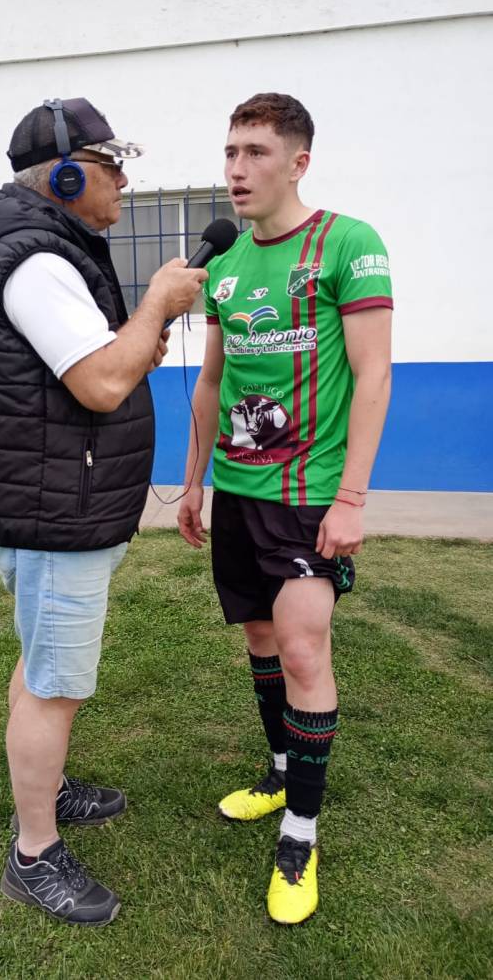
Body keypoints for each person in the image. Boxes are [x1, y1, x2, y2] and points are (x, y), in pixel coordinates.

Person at [0, 97, 206, 926]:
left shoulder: (44, 250)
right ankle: (34, 855)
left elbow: (95, 368)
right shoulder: (36, 262)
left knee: (40, 667)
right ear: (63, 176)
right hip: (54, 513)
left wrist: (135, 333)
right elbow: (99, 382)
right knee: (55, 685)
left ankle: (49, 787)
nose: (124, 179)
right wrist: (156, 305)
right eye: (110, 163)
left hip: (53, 503)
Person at [177, 93, 392, 924]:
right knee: (262, 638)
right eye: (231, 151)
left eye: (257, 152)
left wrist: (352, 498)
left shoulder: (346, 242)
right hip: (237, 491)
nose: (236, 169)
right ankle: (278, 770)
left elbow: (373, 375)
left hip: (311, 498)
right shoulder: (225, 266)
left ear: (297, 162)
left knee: (305, 651)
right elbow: (210, 380)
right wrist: (194, 481)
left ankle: (301, 832)